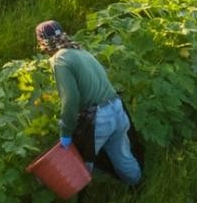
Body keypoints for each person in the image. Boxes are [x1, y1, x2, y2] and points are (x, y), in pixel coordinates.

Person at [36, 19, 141, 186]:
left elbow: (70, 99)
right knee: (123, 157)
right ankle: (139, 188)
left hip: (100, 117)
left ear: (42, 43)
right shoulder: (80, 51)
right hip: (117, 107)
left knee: (80, 165)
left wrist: (65, 132)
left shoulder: (59, 59)